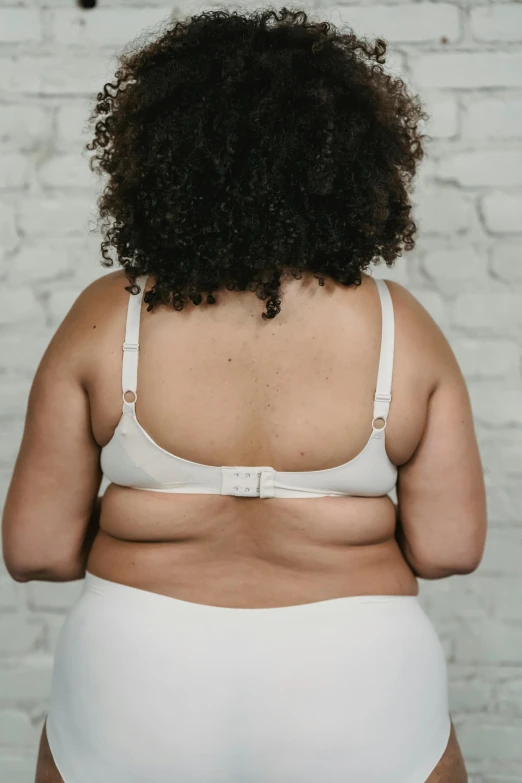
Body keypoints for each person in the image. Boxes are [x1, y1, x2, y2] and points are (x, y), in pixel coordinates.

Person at [1, 8, 486, 782]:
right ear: (350, 162)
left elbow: (35, 550)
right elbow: (451, 547)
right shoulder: (402, 327)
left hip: (136, 677)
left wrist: (164, 514)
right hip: (358, 678)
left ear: (162, 158)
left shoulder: (108, 315)